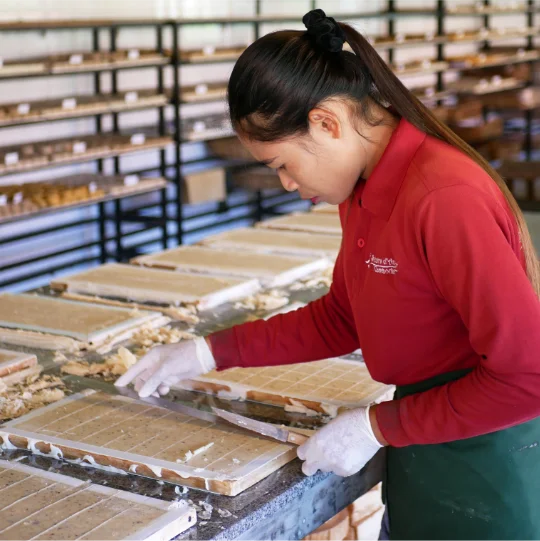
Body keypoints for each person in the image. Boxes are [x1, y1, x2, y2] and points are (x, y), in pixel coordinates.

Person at [116, 9, 540, 541]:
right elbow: (343, 318)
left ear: (326, 122)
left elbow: (528, 376)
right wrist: (208, 352)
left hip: (486, 468)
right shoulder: (362, 188)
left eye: (282, 164)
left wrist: (375, 426)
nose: (288, 183)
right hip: (424, 452)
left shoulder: (442, 197)